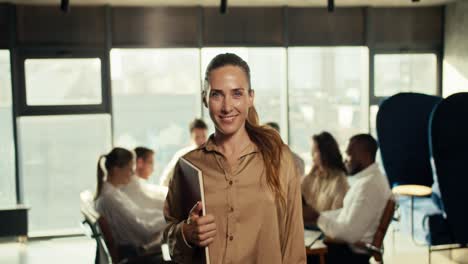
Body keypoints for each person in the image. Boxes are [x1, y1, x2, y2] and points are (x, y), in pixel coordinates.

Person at [163, 53, 306, 263]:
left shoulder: (280, 159)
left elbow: (294, 247)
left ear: (250, 97)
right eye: (217, 95)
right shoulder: (188, 167)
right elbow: (169, 235)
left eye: (237, 94)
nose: (227, 107)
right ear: (205, 98)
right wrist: (186, 233)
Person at [303, 134, 392, 264]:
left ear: (364, 156)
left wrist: (317, 218)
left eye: (349, 155)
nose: (345, 160)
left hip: (350, 255)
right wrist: (318, 216)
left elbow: (349, 234)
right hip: (347, 248)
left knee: (296, 254)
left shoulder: (369, 186)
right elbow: (345, 214)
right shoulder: (368, 180)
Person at [94, 147, 166, 257]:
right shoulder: (110, 198)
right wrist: (167, 219)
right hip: (134, 255)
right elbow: (144, 232)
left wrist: (165, 215)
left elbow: (140, 213)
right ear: (116, 170)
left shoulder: (111, 191)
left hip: (132, 249)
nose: (133, 173)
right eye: (130, 168)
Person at [301, 132, 348, 214]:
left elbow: (336, 215)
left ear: (325, 153)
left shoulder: (339, 181)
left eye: (315, 151)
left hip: (322, 225)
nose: (311, 154)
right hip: (306, 224)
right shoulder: (312, 176)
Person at [159, 119, 208, 187]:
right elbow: (165, 180)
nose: (201, 141)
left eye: (204, 136)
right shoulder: (182, 155)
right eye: (197, 137)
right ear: (191, 137)